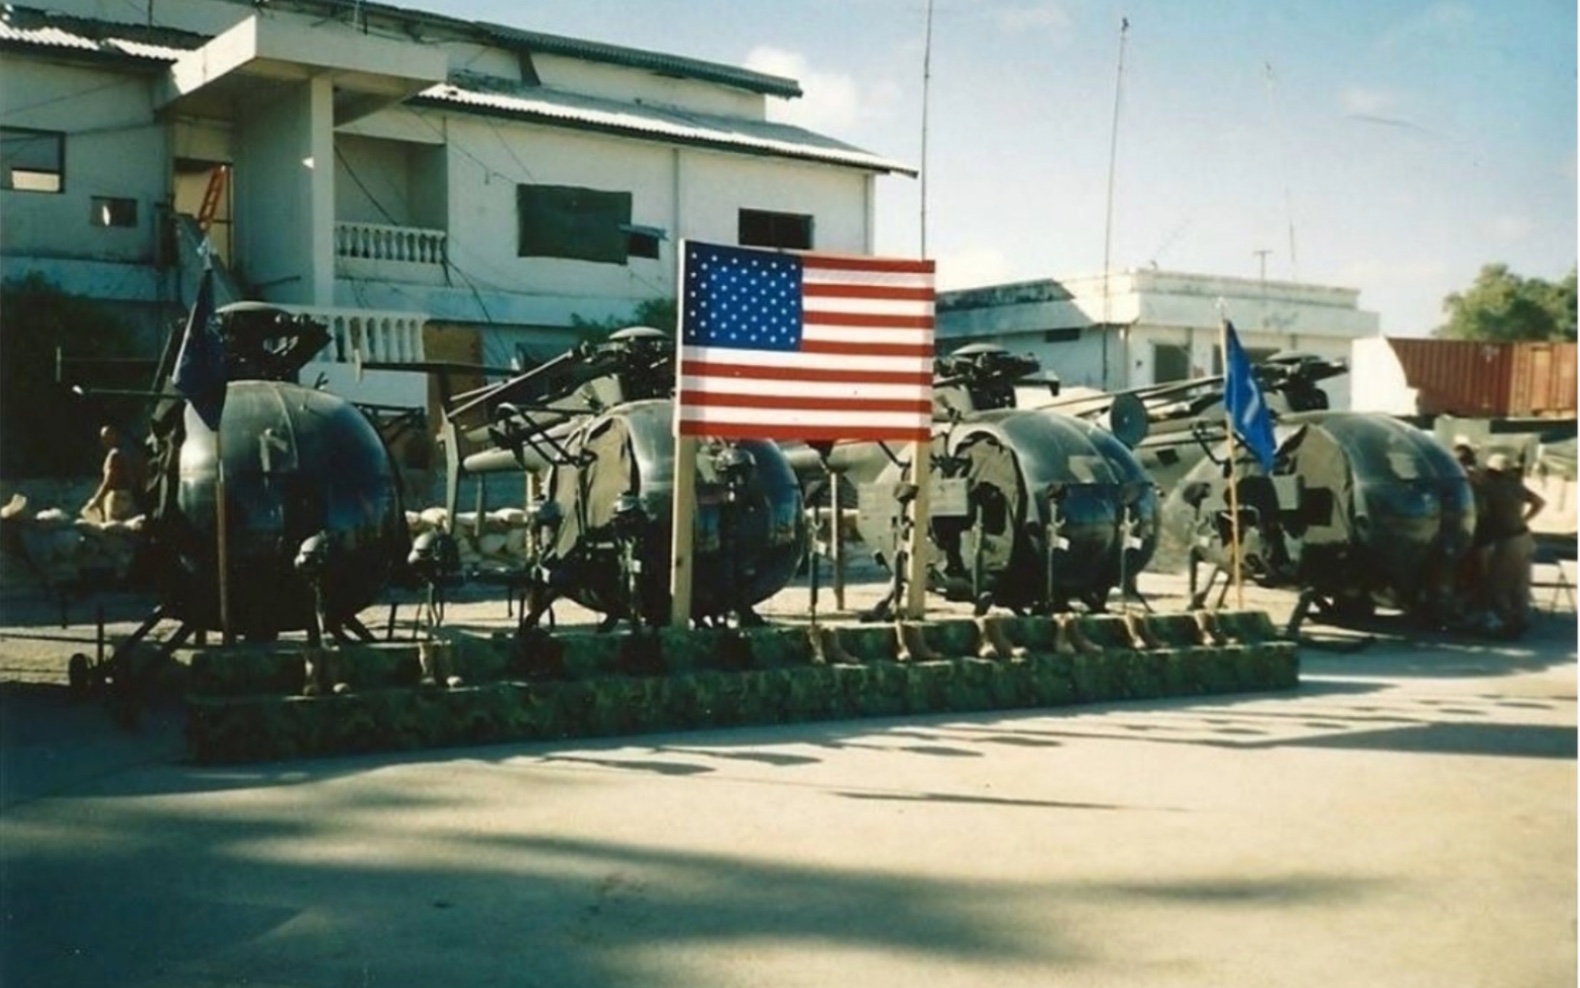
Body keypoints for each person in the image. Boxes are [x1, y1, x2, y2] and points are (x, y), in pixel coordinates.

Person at [1480, 451, 1545, 638]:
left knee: (1498, 583)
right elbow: (1540, 502)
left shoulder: (1491, 486)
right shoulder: (1516, 486)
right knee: (1520, 583)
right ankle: (1521, 620)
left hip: (1509, 540)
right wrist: (1525, 520)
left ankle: (1508, 622)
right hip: (1525, 537)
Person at [82, 424, 148, 523]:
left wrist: (97, 499)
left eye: (108, 436)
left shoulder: (115, 455)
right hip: (129, 495)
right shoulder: (129, 452)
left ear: (115, 436)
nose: (105, 440)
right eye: (103, 437)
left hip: (117, 498)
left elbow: (109, 481)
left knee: (115, 527)